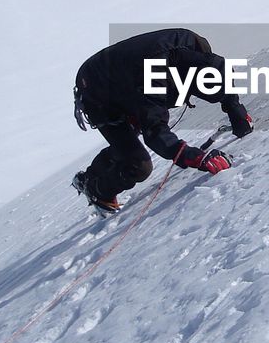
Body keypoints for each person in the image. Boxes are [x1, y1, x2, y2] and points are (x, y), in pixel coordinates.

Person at [71, 28, 253, 213]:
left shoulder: (194, 46)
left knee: (130, 139)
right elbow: (155, 132)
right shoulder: (155, 75)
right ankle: (94, 187)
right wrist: (195, 157)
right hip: (98, 93)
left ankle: (112, 158)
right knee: (138, 164)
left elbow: (218, 73)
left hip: (123, 78)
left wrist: (235, 110)